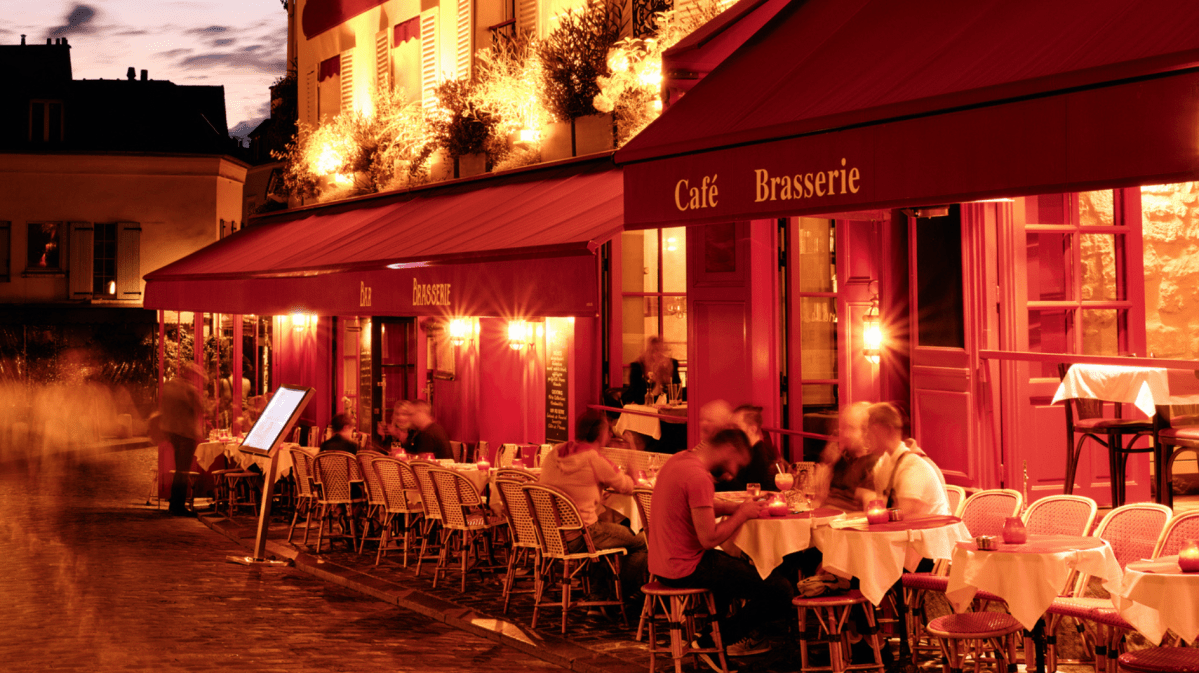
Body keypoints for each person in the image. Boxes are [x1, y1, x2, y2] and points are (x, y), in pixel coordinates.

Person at [649, 428, 795, 658]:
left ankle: (710, 631)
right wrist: (742, 515)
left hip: (661, 564)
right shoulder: (699, 477)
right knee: (780, 589)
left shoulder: (679, 460)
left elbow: (699, 504)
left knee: (732, 568)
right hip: (686, 567)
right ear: (729, 449)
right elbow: (709, 539)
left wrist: (736, 507)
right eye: (736, 463)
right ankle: (714, 639)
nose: (732, 472)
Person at [539, 409, 647, 604]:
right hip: (581, 535)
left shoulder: (555, 452)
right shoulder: (594, 458)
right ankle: (618, 595)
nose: (611, 435)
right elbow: (629, 486)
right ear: (600, 435)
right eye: (608, 431)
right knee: (642, 541)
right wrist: (631, 450)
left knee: (606, 528)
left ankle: (598, 598)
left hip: (551, 534)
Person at [860, 402, 950, 518]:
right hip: (906, 534)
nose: (865, 435)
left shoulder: (913, 468)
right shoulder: (882, 464)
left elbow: (902, 519)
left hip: (932, 534)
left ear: (888, 430)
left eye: (870, 429)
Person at [815, 402, 880, 512]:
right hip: (824, 521)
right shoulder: (843, 460)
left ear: (866, 431)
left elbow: (871, 512)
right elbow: (819, 500)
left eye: (851, 428)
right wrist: (828, 463)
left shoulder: (873, 464)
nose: (845, 434)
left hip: (841, 525)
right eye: (844, 428)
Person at [160, 363, 204, 517]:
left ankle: (174, 504)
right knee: (183, 471)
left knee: (179, 470)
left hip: (173, 433)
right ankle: (178, 506)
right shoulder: (190, 390)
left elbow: (163, 407)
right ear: (191, 375)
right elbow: (200, 408)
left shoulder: (170, 385)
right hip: (187, 434)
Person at [719, 404, 783, 492]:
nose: (731, 431)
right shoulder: (747, 453)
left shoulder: (761, 457)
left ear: (752, 429)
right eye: (730, 426)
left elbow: (755, 496)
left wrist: (727, 478)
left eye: (735, 427)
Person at [623, 336, 683, 406]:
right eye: (653, 351)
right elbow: (637, 398)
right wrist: (657, 380)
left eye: (661, 350)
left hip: (668, 408)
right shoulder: (638, 367)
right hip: (643, 408)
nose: (657, 354)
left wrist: (665, 373)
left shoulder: (672, 364)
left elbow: (678, 394)